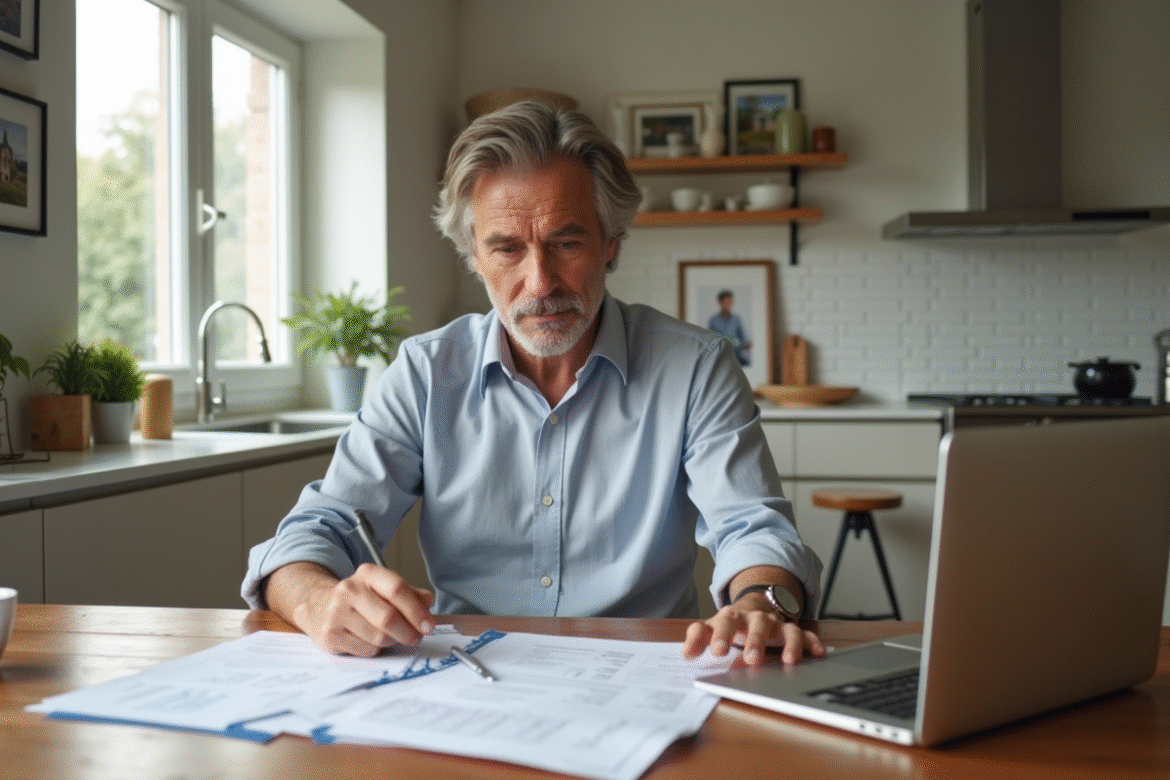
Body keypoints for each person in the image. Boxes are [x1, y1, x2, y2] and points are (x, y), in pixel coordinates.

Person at [242, 101, 824, 668]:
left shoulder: (696, 367)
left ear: (611, 241)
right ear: (473, 255)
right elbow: (317, 531)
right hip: (467, 676)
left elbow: (751, 525)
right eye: (507, 248)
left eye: (567, 242)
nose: (539, 281)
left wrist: (758, 602)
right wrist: (318, 601)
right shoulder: (425, 371)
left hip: (643, 674)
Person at [707, 290, 752, 366]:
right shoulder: (713, 320)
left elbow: (743, 338)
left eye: (731, 303)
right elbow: (710, 341)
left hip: (736, 354)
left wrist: (745, 344)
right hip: (720, 355)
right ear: (721, 303)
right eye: (727, 303)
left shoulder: (736, 319)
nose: (729, 305)